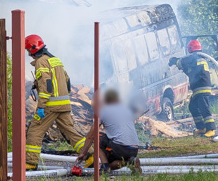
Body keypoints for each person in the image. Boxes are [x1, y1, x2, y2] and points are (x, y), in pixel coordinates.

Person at [24, 34, 86, 171]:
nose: (29, 54)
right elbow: (67, 79)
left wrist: (41, 106)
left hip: (50, 106)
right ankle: (90, 156)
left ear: (33, 49)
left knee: (35, 131)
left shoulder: (41, 62)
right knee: (71, 132)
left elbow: (46, 84)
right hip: (64, 104)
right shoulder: (55, 60)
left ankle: (30, 162)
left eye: (28, 50)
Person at [77, 88, 142, 173]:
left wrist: (83, 153)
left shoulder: (102, 111)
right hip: (134, 149)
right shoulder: (126, 109)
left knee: (98, 136)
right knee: (111, 166)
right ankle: (130, 162)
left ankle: (104, 165)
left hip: (120, 147)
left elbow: (91, 135)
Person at [169, 40, 216, 137]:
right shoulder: (197, 59)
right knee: (193, 107)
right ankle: (201, 128)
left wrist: (174, 61)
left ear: (190, 49)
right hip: (198, 88)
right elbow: (190, 71)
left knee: (204, 108)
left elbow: (182, 61)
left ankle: (211, 129)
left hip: (201, 88)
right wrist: (182, 67)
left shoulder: (194, 57)